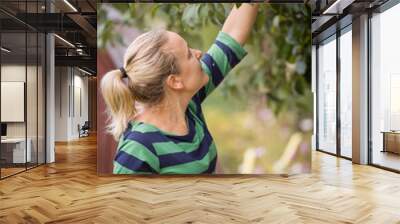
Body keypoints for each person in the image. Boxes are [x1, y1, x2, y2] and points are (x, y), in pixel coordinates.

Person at [101, 3, 259, 174]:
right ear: (175, 81)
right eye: (189, 54)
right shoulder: (138, 149)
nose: (199, 52)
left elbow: (231, 36)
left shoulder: (189, 103)